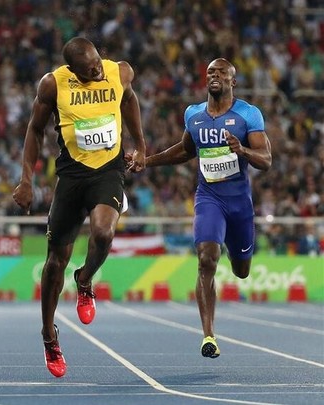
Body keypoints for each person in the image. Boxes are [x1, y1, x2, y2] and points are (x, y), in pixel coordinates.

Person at [13, 37, 146, 377]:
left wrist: (141, 145)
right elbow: (35, 129)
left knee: (103, 233)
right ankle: (49, 335)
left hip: (108, 171)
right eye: (89, 70)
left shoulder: (120, 72)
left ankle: (84, 280)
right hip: (72, 177)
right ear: (72, 70)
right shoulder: (53, 84)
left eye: (98, 63)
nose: (98, 71)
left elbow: (129, 100)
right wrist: (26, 180)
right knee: (54, 262)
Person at [142, 58, 272, 358]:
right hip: (209, 198)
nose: (215, 75)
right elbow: (185, 151)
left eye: (222, 73)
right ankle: (209, 336)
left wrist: (243, 150)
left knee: (241, 271)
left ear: (232, 81)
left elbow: (266, 160)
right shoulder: (194, 114)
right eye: (211, 72)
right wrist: (147, 161)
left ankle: (235, 253)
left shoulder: (248, 114)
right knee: (206, 258)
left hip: (239, 204)